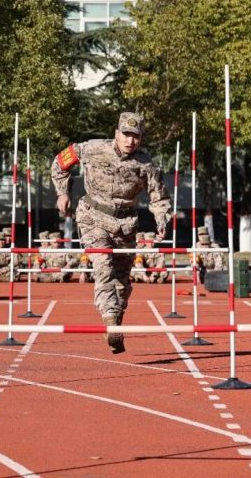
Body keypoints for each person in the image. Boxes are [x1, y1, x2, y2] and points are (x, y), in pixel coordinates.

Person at [51, 112, 171, 353]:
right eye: (126, 134)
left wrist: (161, 219)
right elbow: (60, 162)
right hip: (93, 217)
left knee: (122, 284)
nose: (130, 141)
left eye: (136, 136)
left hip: (125, 224)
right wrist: (63, 192)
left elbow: (159, 197)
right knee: (103, 267)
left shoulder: (146, 164)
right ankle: (111, 322)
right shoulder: (92, 148)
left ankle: (115, 321)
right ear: (116, 133)